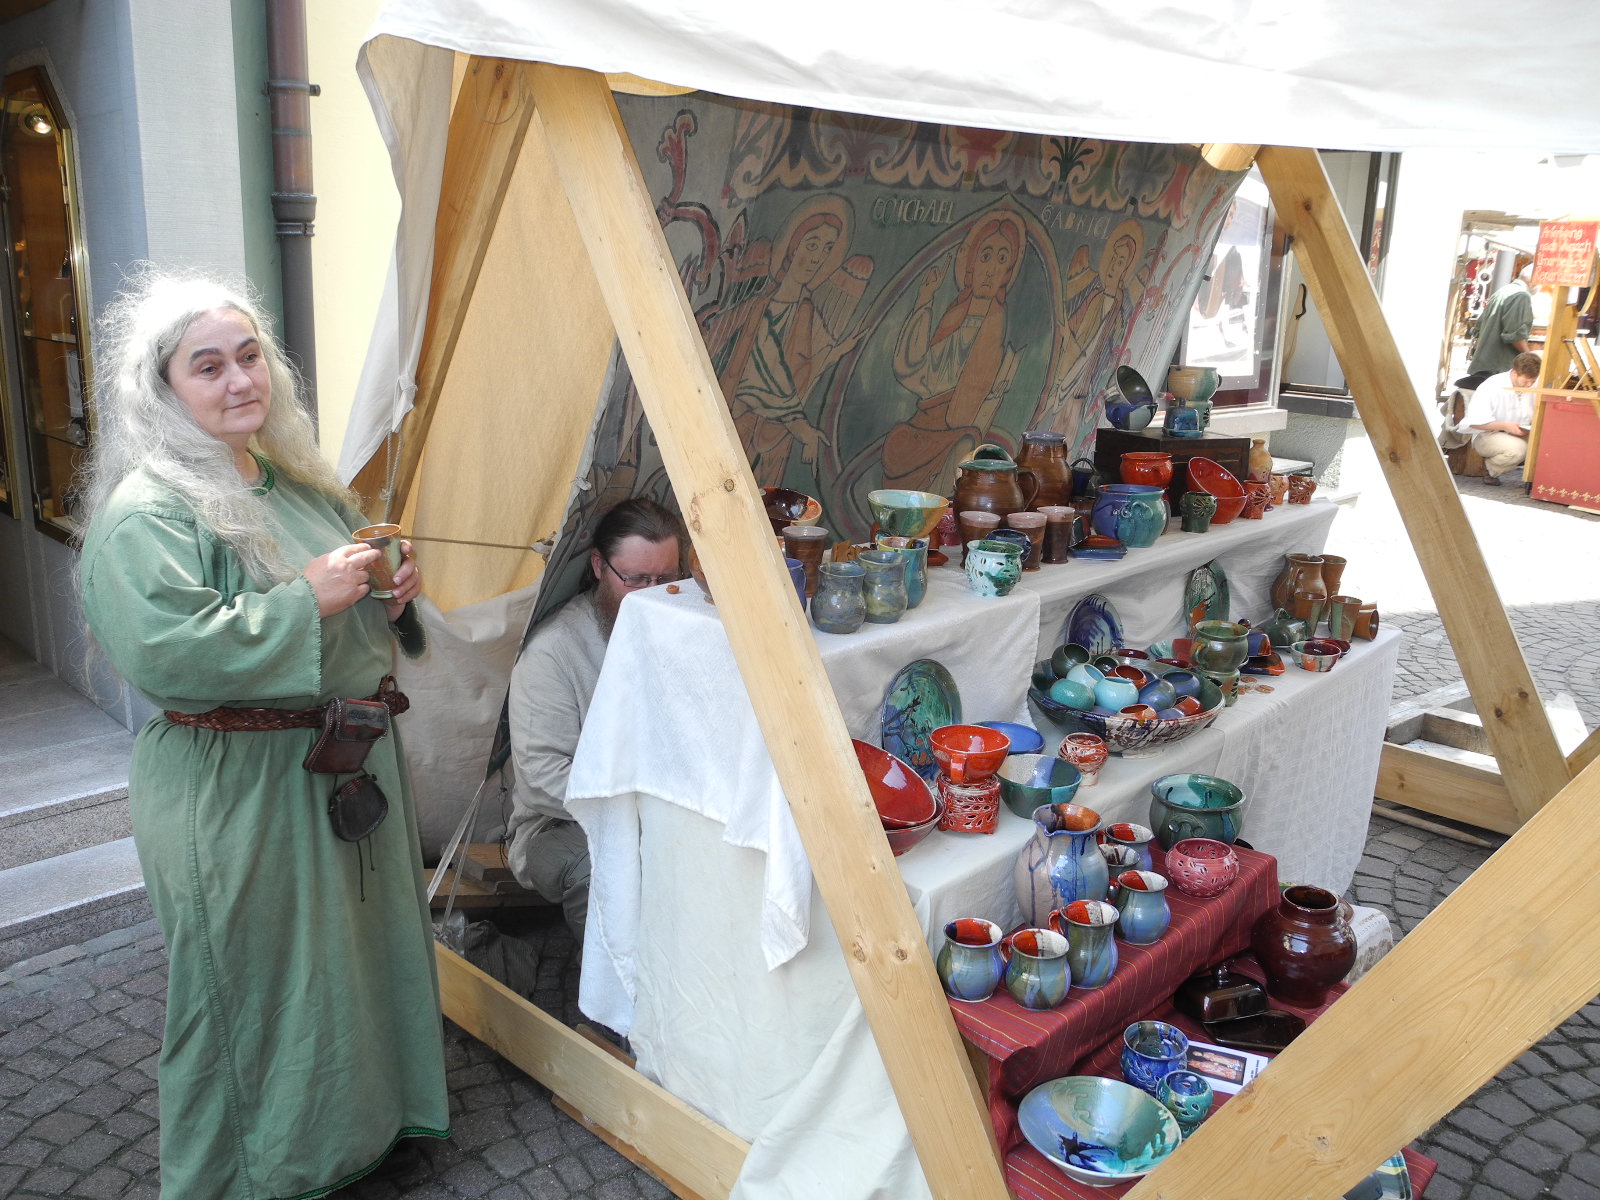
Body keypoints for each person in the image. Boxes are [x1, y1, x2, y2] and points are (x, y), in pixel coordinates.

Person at [76, 273, 449, 1197]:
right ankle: (252, 1173)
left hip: (343, 759)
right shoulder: (150, 512)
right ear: (163, 389)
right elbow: (166, 651)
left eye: (249, 357)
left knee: (352, 964)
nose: (240, 380)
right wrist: (304, 601)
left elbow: (355, 603)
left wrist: (390, 595)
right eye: (208, 367)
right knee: (254, 985)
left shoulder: (303, 486)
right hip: (238, 784)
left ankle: (361, 1132)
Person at [506, 497, 685, 940]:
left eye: (665, 579)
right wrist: (641, 806)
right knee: (612, 873)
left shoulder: (686, 627)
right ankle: (610, 986)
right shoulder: (554, 652)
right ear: (600, 566)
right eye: (636, 579)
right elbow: (542, 779)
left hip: (668, 810)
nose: (651, 594)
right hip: (564, 825)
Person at [1462, 351, 1541, 484]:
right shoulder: (1492, 385)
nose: (1529, 385)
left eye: (1532, 381)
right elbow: (1474, 423)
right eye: (1526, 381)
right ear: (1515, 373)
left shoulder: (1535, 384)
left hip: (1521, 431)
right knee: (1518, 450)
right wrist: (1506, 426)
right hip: (1488, 434)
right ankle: (1491, 469)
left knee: (1546, 445)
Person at [1467, 264, 1536, 378]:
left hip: (1484, 366)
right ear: (1533, 281)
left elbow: (1478, 328)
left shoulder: (1503, 291)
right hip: (1498, 368)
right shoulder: (1521, 295)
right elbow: (1515, 336)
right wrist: (1531, 358)